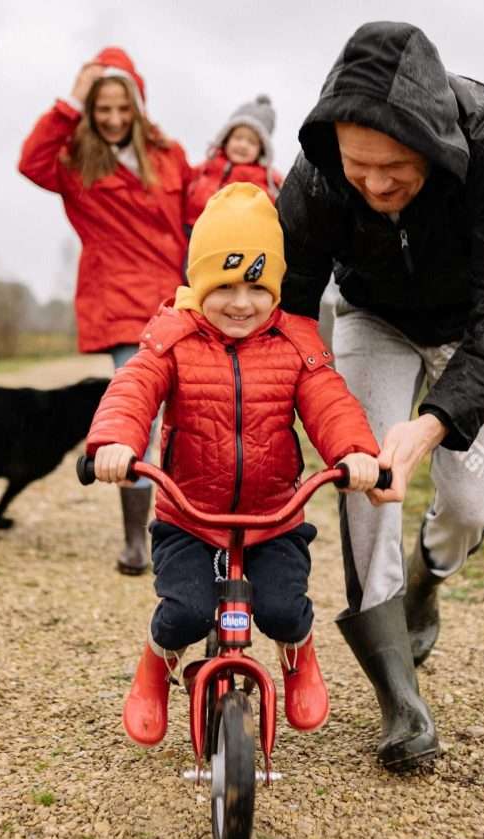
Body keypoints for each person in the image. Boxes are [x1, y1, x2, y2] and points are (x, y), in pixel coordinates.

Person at [277, 21, 484, 771]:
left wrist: (435, 422)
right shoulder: (314, 176)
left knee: (466, 507)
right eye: (358, 166)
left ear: (434, 143)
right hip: (372, 316)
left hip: (474, 327)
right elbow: (291, 302)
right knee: (367, 479)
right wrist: (315, 404)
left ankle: (428, 581)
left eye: (396, 167)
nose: (374, 184)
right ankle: (398, 696)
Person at [84, 183, 384, 747]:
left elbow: (330, 402)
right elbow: (133, 390)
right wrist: (116, 443)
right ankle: (155, 665)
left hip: (274, 518)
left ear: (275, 288)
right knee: (185, 612)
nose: (241, 303)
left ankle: (298, 655)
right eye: (224, 286)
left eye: (256, 286)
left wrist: (355, 454)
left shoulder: (296, 343)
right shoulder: (173, 337)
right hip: (189, 518)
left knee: (283, 609)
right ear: (199, 284)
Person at [19, 47, 192, 576]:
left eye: (122, 108)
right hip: (121, 303)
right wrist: (71, 100)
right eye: (102, 109)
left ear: (137, 108)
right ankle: (136, 541)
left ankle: (187, 529)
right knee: (141, 412)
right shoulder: (75, 163)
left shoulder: (170, 156)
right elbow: (30, 161)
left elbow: (194, 220)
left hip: (177, 296)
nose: (113, 119)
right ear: (91, 112)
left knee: (189, 416)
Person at [185, 94, 282, 230]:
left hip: (231, 243)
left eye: (252, 142)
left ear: (261, 150)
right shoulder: (205, 168)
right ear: (226, 139)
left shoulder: (266, 183)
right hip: (191, 235)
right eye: (238, 137)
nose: (243, 145)